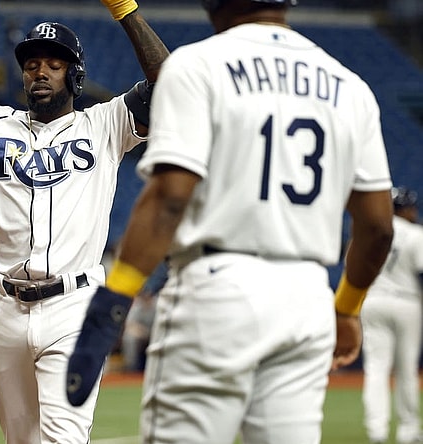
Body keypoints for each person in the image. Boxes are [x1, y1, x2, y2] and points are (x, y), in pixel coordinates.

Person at [66, 1, 396, 443]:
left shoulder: (199, 64)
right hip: (307, 296)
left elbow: (168, 199)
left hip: (216, 291)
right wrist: (347, 309)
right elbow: (378, 227)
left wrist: (115, 300)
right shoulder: (349, 87)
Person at [0, 0, 169, 442]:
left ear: (75, 74)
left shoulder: (106, 123)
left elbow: (170, 84)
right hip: (6, 308)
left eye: (53, 64)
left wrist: (126, 11)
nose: (39, 71)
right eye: (31, 64)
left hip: (73, 305)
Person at [361, 186, 423, 444]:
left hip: (372, 301)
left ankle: (377, 431)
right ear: (406, 209)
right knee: (406, 369)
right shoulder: (416, 234)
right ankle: (408, 431)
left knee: (375, 368)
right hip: (406, 302)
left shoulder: (370, 231)